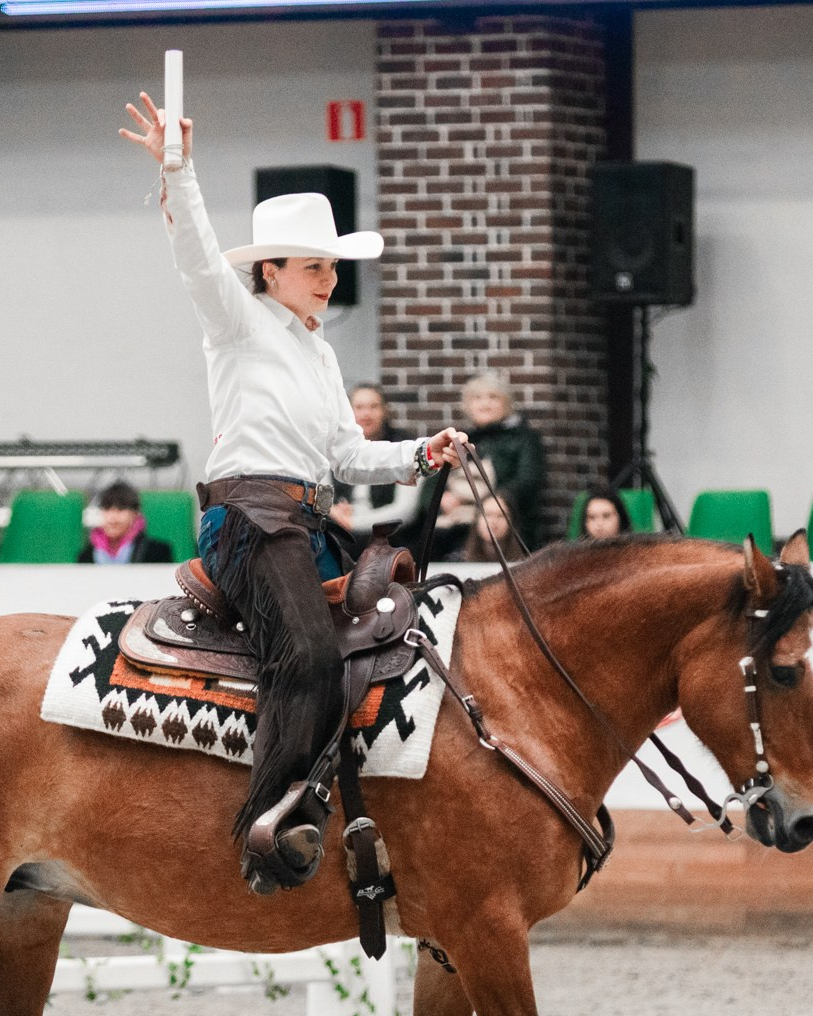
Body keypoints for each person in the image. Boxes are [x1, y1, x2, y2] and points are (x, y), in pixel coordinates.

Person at [123, 92, 465, 895]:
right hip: (248, 518)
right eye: (315, 265)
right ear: (269, 272)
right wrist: (178, 169)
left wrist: (422, 453)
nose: (330, 277)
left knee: (372, 640)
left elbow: (344, 451)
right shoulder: (236, 322)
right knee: (309, 650)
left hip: (306, 522)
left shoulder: (318, 354)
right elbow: (199, 257)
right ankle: (267, 826)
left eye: (333, 265)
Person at [419, 372, 547, 556]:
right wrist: (443, 499)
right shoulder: (459, 438)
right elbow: (430, 486)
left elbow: (528, 481)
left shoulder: (524, 439)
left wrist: (488, 505)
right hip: (453, 526)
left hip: (499, 526)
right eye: (477, 398)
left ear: (507, 403)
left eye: (493, 397)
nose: (485, 404)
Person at [330, 384, 421, 543]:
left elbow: (405, 510)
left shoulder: (405, 447)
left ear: (385, 410)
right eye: (359, 407)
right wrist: (332, 511)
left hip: (389, 536)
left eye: (374, 407)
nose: (366, 413)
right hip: (341, 533)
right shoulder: (333, 445)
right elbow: (320, 490)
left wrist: (353, 523)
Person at [77, 481, 173, 563]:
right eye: (107, 509)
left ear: (135, 514)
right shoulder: (86, 556)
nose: (112, 518)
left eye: (120, 509)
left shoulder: (157, 552)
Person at [455, 494, 518, 562]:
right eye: (487, 515)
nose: (493, 522)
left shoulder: (524, 561)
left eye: (501, 515)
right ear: (477, 519)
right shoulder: (457, 561)